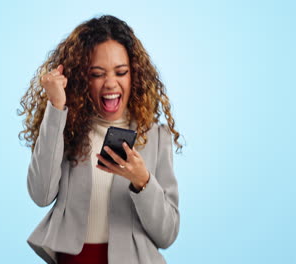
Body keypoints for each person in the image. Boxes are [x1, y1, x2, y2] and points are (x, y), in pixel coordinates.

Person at [19, 14, 183, 264]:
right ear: (82, 78)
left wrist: (143, 181)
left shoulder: (156, 137)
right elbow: (41, 195)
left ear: (134, 75)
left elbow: (167, 234)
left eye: (121, 72)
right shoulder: (67, 128)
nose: (110, 83)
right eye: (97, 74)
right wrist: (56, 108)